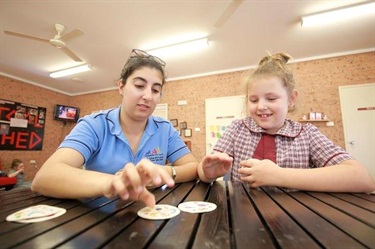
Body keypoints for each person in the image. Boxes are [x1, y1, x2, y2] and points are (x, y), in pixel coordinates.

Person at [32, 49, 199, 207]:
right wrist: (116, 183)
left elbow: (192, 167)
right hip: (96, 221)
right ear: (121, 87)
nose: (148, 96)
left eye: (155, 90)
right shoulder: (94, 125)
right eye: (139, 86)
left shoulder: (165, 129)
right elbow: (45, 177)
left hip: (149, 214)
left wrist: (165, 172)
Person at [198, 52, 375, 193]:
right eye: (253, 100)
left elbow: (362, 179)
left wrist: (279, 175)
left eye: (271, 98)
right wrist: (206, 173)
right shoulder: (237, 129)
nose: (261, 107)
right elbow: (205, 171)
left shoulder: (306, 134)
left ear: (291, 99)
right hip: (243, 219)